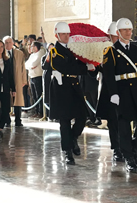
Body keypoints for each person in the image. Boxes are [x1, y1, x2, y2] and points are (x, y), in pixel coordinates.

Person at [102, 18, 137, 173]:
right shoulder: (111, 51)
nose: (129, 32)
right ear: (118, 33)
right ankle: (129, 159)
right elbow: (108, 75)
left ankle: (135, 147)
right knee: (124, 126)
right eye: (125, 30)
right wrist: (113, 93)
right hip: (121, 91)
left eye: (130, 30)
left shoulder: (136, 48)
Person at [47, 22, 94, 165]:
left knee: (82, 116)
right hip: (61, 88)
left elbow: (78, 64)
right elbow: (67, 68)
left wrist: (89, 64)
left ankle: (73, 138)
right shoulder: (55, 51)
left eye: (68, 34)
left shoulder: (74, 49)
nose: (67, 36)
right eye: (63, 34)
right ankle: (67, 151)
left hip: (74, 86)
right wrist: (84, 68)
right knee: (65, 121)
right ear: (57, 35)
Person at [96, 22, 123, 162]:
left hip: (125, 89)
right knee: (113, 121)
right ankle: (117, 149)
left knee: (124, 121)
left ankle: (127, 147)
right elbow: (105, 70)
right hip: (110, 91)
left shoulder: (129, 49)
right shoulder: (107, 51)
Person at [3, 36, 27, 127]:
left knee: (18, 101)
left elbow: (23, 68)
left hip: (17, 78)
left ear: (12, 43)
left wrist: (24, 80)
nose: (7, 44)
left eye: (9, 42)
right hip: (6, 80)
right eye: (5, 42)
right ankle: (7, 120)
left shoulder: (19, 53)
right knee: (6, 100)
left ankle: (18, 120)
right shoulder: (1, 53)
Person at [25, 41, 44, 119]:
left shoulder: (40, 53)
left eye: (32, 46)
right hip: (32, 77)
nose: (30, 48)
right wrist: (30, 67)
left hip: (38, 77)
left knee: (39, 95)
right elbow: (26, 65)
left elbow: (33, 64)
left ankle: (41, 112)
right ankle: (36, 111)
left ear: (36, 47)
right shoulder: (32, 55)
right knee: (34, 96)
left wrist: (30, 66)